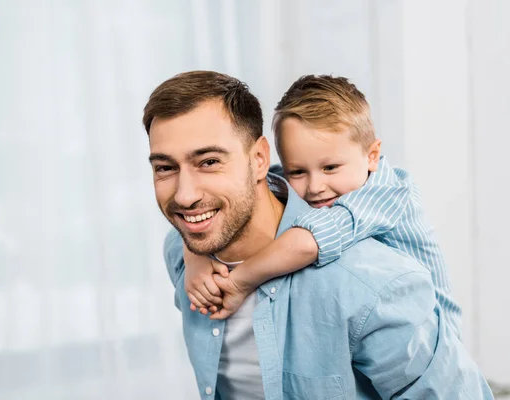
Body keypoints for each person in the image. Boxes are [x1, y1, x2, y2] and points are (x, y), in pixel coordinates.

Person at [143, 70, 492, 399]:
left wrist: (239, 280)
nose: (185, 195)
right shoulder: (184, 248)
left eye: (209, 162)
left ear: (259, 159)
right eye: (165, 167)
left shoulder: (366, 281)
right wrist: (195, 255)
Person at [184, 75, 463, 341]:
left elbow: (308, 242)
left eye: (330, 168)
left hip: (428, 338)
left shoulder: (388, 193)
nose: (315, 186)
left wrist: (238, 282)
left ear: (372, 156)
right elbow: (223, 208)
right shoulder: (288, 179)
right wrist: (196, 260)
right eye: (298, 171)